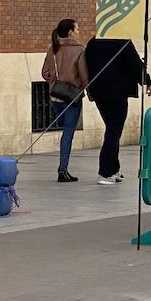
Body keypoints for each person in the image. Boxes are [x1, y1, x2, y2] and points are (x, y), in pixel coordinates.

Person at [84, 37, 151, 184]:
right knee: (114, 130)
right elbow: (135, 65)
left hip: (98, 92)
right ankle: (105, 172)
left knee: (112, 129)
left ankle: (114, 169)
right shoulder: (122, 41)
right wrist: (147, 82)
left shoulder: (93, 42)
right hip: (117, 92)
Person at [42, 18, 88, 183]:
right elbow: (84, 76)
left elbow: (45, 73)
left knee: (64, 128)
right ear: (70, 31)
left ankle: (64, 167)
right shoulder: (80, 50)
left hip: (56, 95)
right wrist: (86, 90)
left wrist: (54, 81)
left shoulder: (52, 49)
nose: (78, 32)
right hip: (72, 97)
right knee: (68, 131)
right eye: (77, 29)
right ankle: (63, 168)